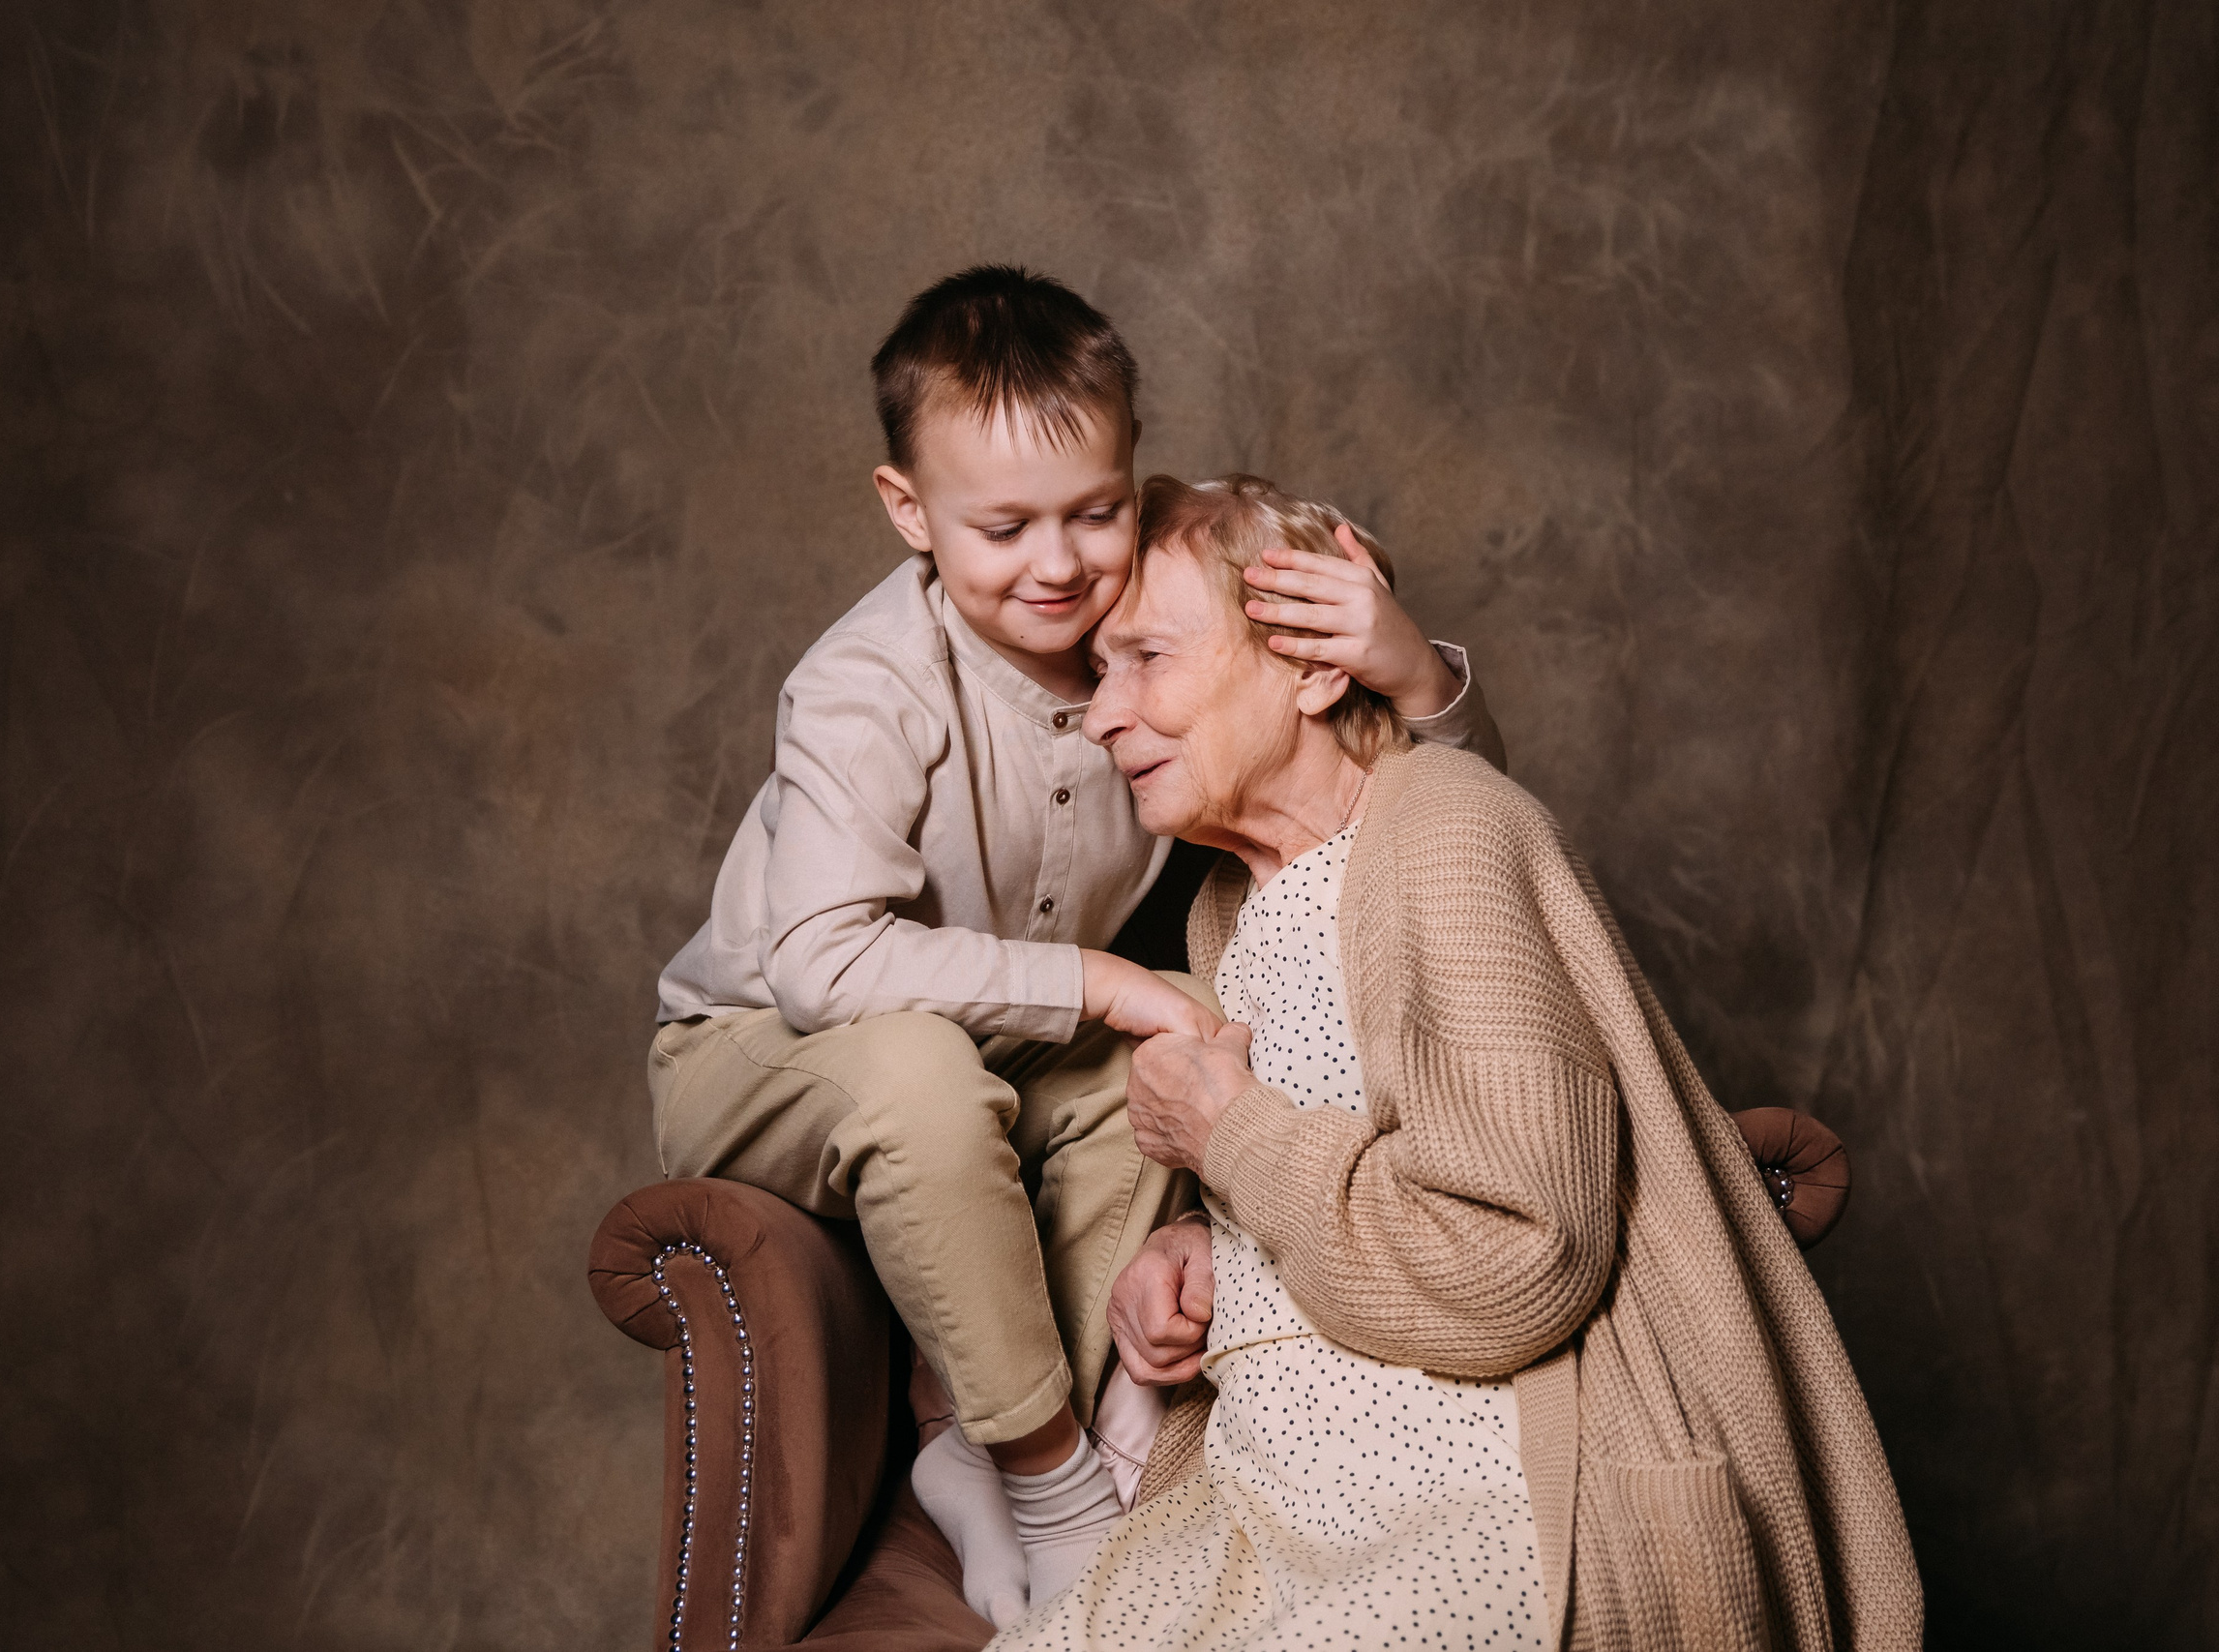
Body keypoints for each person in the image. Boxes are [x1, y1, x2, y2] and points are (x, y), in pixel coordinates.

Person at [648, 269, 1509, 1623]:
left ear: (1132, 477)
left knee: (1182, 1028)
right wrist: (1093, 979)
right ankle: (1039, 1471)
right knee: (933, 1071)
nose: (1057, 564)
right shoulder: (866, 682)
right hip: (763, 1049)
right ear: (907, 511)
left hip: (996, 1043)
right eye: (1001, 527)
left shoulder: (1141, 597)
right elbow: (822, 964)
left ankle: (1076, 1418)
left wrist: (1409, 668)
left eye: (1095, 512)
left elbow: (1423, 808)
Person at [988, 473, 1920, 1650]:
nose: (1104, 713)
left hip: (1473, 1500)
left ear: (1315, 667)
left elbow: (1519, 1260)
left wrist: (1231, 1139)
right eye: (1095, 673)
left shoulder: (1444, 829)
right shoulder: (1230, 907)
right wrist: (1204, 1249)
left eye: (1147, 660)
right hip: (1267, 1498)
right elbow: (1345, 1175)